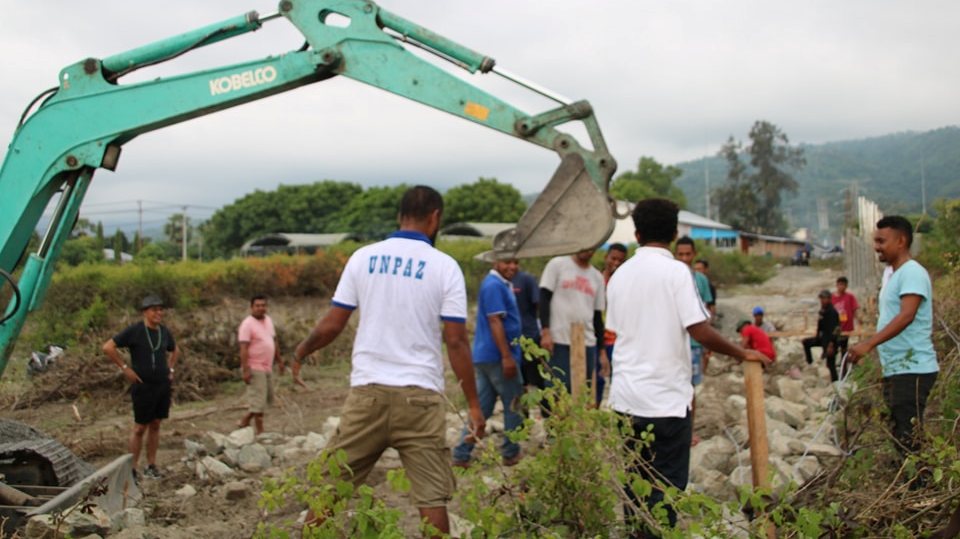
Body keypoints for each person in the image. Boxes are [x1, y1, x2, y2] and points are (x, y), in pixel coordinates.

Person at [292, 186, 484, 536]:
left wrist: (301, 351)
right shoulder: (445, 267)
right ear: (435, 218)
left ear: (400, 216)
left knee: (330, 490)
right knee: (432, 499)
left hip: (369, 395)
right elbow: (455, 341)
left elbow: (334, 323)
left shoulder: (363, 258)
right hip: (420, 398)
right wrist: (473, 405)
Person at [606, 198, 769, 536]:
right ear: (674, 232)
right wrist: (743, 353)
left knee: (636, 490)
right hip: (665, 402)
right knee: (664, 493)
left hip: (625, 401)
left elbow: (616, 335)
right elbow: (699, 329)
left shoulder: (619, 276)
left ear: (636, 233)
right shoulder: (677, 272)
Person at [848, 215, 938, 457]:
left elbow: (906, 316)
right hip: (898, 368)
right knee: (902, 436)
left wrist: (868, 344)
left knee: (909, 440)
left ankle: (919, 489)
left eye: (882, 241)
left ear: (901, 241)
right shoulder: (894, 275)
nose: (876, 247)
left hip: (913, 368)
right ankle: (913, 486)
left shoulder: (912, 273)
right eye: (875, 241)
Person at [453, 257, 524, 468]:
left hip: (486, 355)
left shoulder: (499, 284)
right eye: (506, 262)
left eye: (515, 262)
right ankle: (511, 452)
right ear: (495, 262)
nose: (512, 267)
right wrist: (506, 356)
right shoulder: (493, 286)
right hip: (497, 356)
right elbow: (495, 320)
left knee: (482, 406)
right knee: (514, 404)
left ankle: (461, 453)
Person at [102, 295, 179, 479]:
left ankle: (151, 464)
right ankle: (132, 468)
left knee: (156, 424)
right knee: (139, 427)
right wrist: (125, 368)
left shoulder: (164, 332)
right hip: (142, 385)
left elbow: (175, 349)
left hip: (161, 384)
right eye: (154, 310)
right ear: (145, 312)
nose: (158, 313)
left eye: (161, 309)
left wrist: (171, 369)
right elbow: (108, 347)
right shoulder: (135, 331)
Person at [539, 249, 608, 404]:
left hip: (587, 342)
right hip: (559, 340)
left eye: (592, 247)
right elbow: (544, 298)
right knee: (557, 390)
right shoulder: (558, 264)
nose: (587, 250)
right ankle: (556, 427)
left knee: (583, 392)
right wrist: (545, 331)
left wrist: (602, 350)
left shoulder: (596, 277)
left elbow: (598, 317)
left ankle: (580, 427)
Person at [237, 295, 284, 435]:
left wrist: (279, 360)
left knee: (266, 398)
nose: (261, 308)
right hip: (254, 366)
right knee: (258, 399)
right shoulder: (247, 324)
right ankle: (260, 431)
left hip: (267, 366)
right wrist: (246, 369)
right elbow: (243, 348)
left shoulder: (268, 321)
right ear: (252, 307)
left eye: (263, 305)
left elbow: (274, 341)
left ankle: (245, 420)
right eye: (257, 306)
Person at [597, 243, 627, 405]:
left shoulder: (626, 284)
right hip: (598, 338)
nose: (616, 263)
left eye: (620, 260)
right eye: (613, 258)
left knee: (619, 381)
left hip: (617, 339)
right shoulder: (596, 280)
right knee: (597, 381)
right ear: (606, 258)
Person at [511, 265, 542, 392]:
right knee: (518, 383)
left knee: (538, 379)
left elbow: (538, 304)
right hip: (511, 341)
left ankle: (545, 411)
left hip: (530, 336)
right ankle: (522, 411)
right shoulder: (498, 283)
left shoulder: (526, 279)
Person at [802, 290, 841, 382]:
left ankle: (836, 383)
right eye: (821, 298)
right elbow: (820, 327)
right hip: (822, 339)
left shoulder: (832, 312)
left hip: (831, 341)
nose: (823, 300)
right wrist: (817, 337)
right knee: (806, 342)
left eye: (825, 298)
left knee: (831, 364)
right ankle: (810, 363)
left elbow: (836, 329)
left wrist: (831, 345)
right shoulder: (823, 311)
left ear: (829, 299)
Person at [831, 276, 860, 357]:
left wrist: (858, 320)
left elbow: (855, 309)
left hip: (846, 326)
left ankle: (843, 365)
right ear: (836, 285)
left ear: (846, 286)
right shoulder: (831, 297)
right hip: (835, 327)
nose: (841, 287)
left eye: (843, 285)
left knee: (844, 346)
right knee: (834, 346)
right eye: (840, 284)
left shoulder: (850, 297)